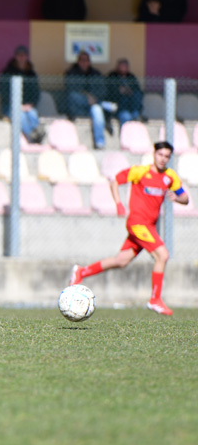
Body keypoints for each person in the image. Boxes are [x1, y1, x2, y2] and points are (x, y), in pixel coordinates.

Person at [70, 141, 189, 316]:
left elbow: (185, 198)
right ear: (154, 154)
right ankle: (155, 300)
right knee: (162, 255)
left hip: (149, 226)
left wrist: (178, 198)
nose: (163, 159)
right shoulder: (140, 171)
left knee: (121, 261)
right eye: (160, 155)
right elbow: (115, 181)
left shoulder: (170, 176)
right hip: (137, 223)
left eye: (167, 156)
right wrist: (118, 204)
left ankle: (81, 271)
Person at [64, 51, 112, 149]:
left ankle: (100, 143)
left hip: (92, 106)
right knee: (73, 96)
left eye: (86, 60)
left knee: (97, 111)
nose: (84, 62)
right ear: (78, 61)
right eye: (82, 60)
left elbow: (103, 91)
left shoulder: (96, 74)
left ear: (89, 62)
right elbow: (71, 90)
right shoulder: (71, 73)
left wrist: (94, 98)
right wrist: (87, 99)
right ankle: (101, 104)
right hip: (77, 109)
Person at [0, 45, 45, 144]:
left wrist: (30, 104)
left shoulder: (31, 74)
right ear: (16, 56)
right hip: (10, 106)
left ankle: (38, 133)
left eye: (24, 55)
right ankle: (30, 136)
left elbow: (36, 92)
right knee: (21, 116)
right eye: (19, 55)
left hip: (27, 105)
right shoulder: (7, 73)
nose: (22, 58)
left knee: (33, 113)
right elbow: (4, 93)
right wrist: (17, 105)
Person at [104, 59, 143, 130]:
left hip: (131, 104)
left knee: (137, 95)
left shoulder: (131, 77)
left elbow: (137, 90)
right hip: (118, 106)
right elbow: (108, 91)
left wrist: (129, 91)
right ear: (117, 67)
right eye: (121, 66)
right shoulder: (112, 76)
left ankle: (136, 113)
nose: (123, 68)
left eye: (125, 66)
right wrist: (119, 91)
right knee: (126, 116)